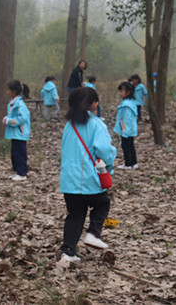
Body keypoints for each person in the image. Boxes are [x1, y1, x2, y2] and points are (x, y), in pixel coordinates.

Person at [60, 87, 116, 263]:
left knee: (75, 215)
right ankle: (93, 233)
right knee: (103, 203)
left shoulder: (68, 126)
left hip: (69, 181)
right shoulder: (97, 124)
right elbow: (105, 150)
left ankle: (68, 252)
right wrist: (109, 163)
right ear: (94, 104)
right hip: (89, 179)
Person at [3, 80, 31, 181]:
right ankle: (18, 171)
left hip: (20, 133)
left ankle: (22, 173)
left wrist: (8, 121)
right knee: (15, 154)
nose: (7, 92)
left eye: (8, 90)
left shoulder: (20, 104)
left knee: (20, 154)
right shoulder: (13, 103)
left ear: (14, 91)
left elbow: (22, 118)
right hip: (15, 133)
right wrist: (7, 118)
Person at [113, 82, 138, 169]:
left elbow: (126, 119)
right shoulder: (131, 103)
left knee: (125, 146)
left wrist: (124, 130)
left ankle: (128, 164)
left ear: (128, 92)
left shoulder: (126, 105)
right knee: (131, 145)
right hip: (131, 129)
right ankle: (134, 163)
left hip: (126, 130)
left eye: (121, 91)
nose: (119, 93)